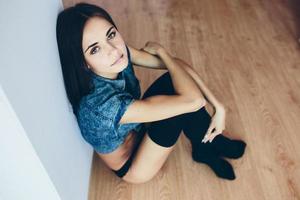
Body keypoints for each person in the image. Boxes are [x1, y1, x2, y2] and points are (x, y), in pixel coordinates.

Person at [56, 2, 247, 183]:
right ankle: (206, 149)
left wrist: (218, 107)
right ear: (83, 62)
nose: (113, 50)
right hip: (134, 165)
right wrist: (162, 52)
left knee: (175, 81)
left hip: (137, 126)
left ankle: (206, 145)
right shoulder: (102, 107)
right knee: (181, 101)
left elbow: (177, 67)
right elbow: (193, 101)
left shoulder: (117, 54)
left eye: (111, 34)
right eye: (95, 49)